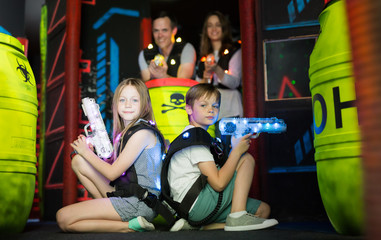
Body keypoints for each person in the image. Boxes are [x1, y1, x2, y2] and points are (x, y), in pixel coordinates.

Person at [56, 78, 165, 233]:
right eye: (122, 100)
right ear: (116, 104)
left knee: (63, 218)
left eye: (134, 100)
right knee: (79, 162)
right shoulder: (125, 133)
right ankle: (107, 213)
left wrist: (87, 153)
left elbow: (112, 172)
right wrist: (91, 153)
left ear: (145, 105)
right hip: (126, 194)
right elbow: (117, 173)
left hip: (139, 203)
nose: (128, 104)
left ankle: (130, 226)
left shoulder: (142, 133)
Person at [167, 84, 278, 231]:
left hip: (195, 206)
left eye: (215, 106)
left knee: (263, 210)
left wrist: (234, 146)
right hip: (195, 204)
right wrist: (237, 151)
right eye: (203, 105)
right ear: (188, 108)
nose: (211, 109)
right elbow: (218, 183)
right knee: (246, 159)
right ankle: (237, 217)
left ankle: (202, 227)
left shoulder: (202, 138)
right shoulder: (196, 139)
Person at [196, 11, 243, 155]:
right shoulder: (203, 56)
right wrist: (206, 77)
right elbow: (198, 88)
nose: (214, 29)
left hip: (230, 110)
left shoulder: (234, 51)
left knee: (231, 153)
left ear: (224, 28)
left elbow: (234, 82)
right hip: (209, 113)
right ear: (206, 30)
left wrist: (217, 69)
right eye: (210, 25)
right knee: (214, 154)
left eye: (217, 25)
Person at [138, 11, 196, 81]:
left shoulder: (186, 49)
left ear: (174, 30)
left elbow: (184, 83)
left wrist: (163, 76)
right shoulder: (145, 54)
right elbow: (146, 86)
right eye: (156, 31)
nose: (160, 35)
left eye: (164, 30)